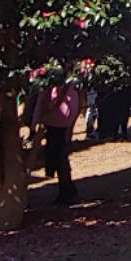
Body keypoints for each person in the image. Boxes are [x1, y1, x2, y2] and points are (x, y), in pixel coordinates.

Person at [31, 71, 81, 204]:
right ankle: (67, 188)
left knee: (57, 156)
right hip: (63, 121)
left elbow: (41, 102)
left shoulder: (50, 81)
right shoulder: (72, 83)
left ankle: (67, 190)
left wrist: (35, 124)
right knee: (60, 155)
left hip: (54, 121)